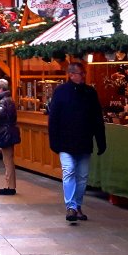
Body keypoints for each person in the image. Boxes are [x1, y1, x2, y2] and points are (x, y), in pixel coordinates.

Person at [47, 63, 107, 223]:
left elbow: (97, 118)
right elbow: (53, 119)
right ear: (71, 74)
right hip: (65, 142)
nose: (83, 76)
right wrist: (54, 141)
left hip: (84, 140)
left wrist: (101, 141)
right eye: (81, 73)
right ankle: (71, 206)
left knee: (82, 176)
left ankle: (77, 205)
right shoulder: (60, 92)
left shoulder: (90, 92)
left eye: (84, 73)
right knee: (69, 171)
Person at [0, 79, 20, 195]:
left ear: (0, 89)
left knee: (8, 160)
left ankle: (10, 186)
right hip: (8, 132)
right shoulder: (7, 100)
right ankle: (9, 185)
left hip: (6, 133)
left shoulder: (4, 101)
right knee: (7, 159)